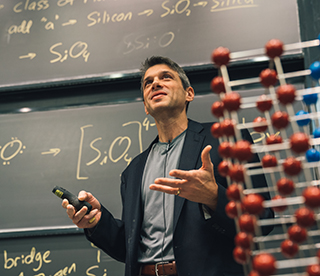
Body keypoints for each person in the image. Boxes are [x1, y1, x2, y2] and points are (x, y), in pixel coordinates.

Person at [62, 56, 274, 276]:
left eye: (166, 77)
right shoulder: (133, 171)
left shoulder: (227, 140)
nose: (155, 84)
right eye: (148, 82)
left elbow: (263, 221)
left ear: (188, 93)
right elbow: (130, 248)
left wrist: (214, 197)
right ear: (145, 106)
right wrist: (96, 220)